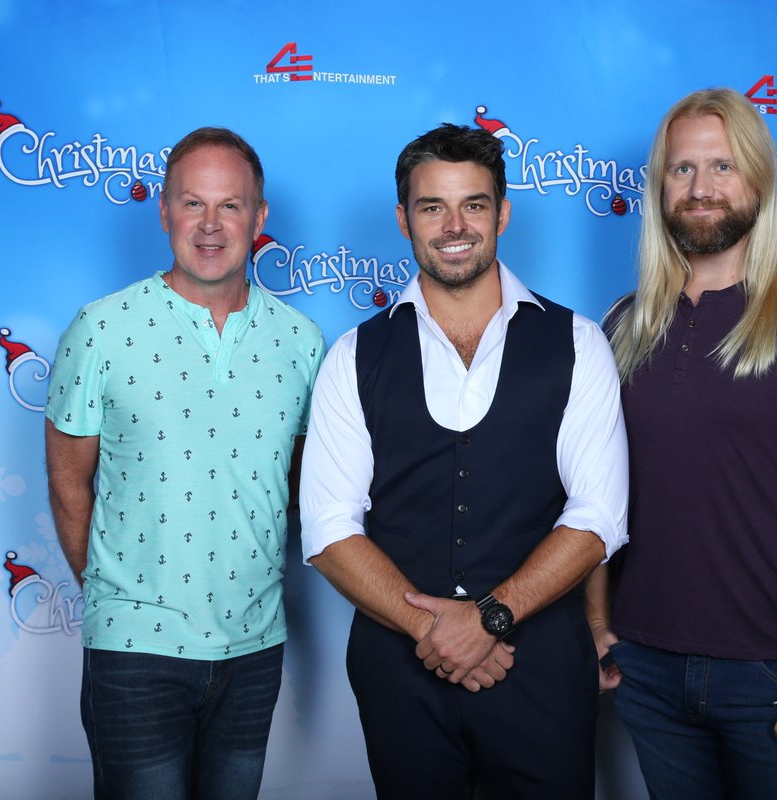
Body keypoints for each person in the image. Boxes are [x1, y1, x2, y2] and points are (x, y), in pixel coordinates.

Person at [299, 123, 628, 799]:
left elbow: (599, 517)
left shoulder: (578, 343)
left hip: (540, 668)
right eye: (431, 207)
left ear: (502, 213)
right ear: (403, 220)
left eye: (473, 204)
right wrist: (434, 630)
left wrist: (486, 621)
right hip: (401, 669)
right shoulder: (353, 357)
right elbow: (329, 529)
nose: (455, 225)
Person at [587, 87, 777, 799]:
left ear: (759, 179)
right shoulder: (624, 326)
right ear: (660, 187)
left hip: (776, 676)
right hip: (647, 669)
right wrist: (598, 625)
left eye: (722, 166)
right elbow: (593, 495)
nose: (701, 188)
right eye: (682, 169)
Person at [44, 126, 325, 800]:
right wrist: (121, 598)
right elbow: (66, 480)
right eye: (191, 203)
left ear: (259, 218)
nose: (210, 225)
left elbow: (302, 488)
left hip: (255, 651)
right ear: (164, 210)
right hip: (133, 651)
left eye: (229, 206)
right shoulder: (102, 328)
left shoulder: (302, 341)